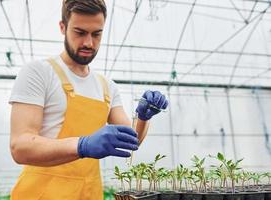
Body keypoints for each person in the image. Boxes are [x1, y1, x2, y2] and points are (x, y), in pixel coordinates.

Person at [9, 0, 169, 199]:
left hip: (89, 193)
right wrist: (82, 145)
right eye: (80, 32)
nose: (88, 43)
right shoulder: (39, 73)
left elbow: (131, 139)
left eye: (96, 34)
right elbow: (20, 147)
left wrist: (143, 116)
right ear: (62, 27)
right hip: (41, 193)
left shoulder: (106, 86)